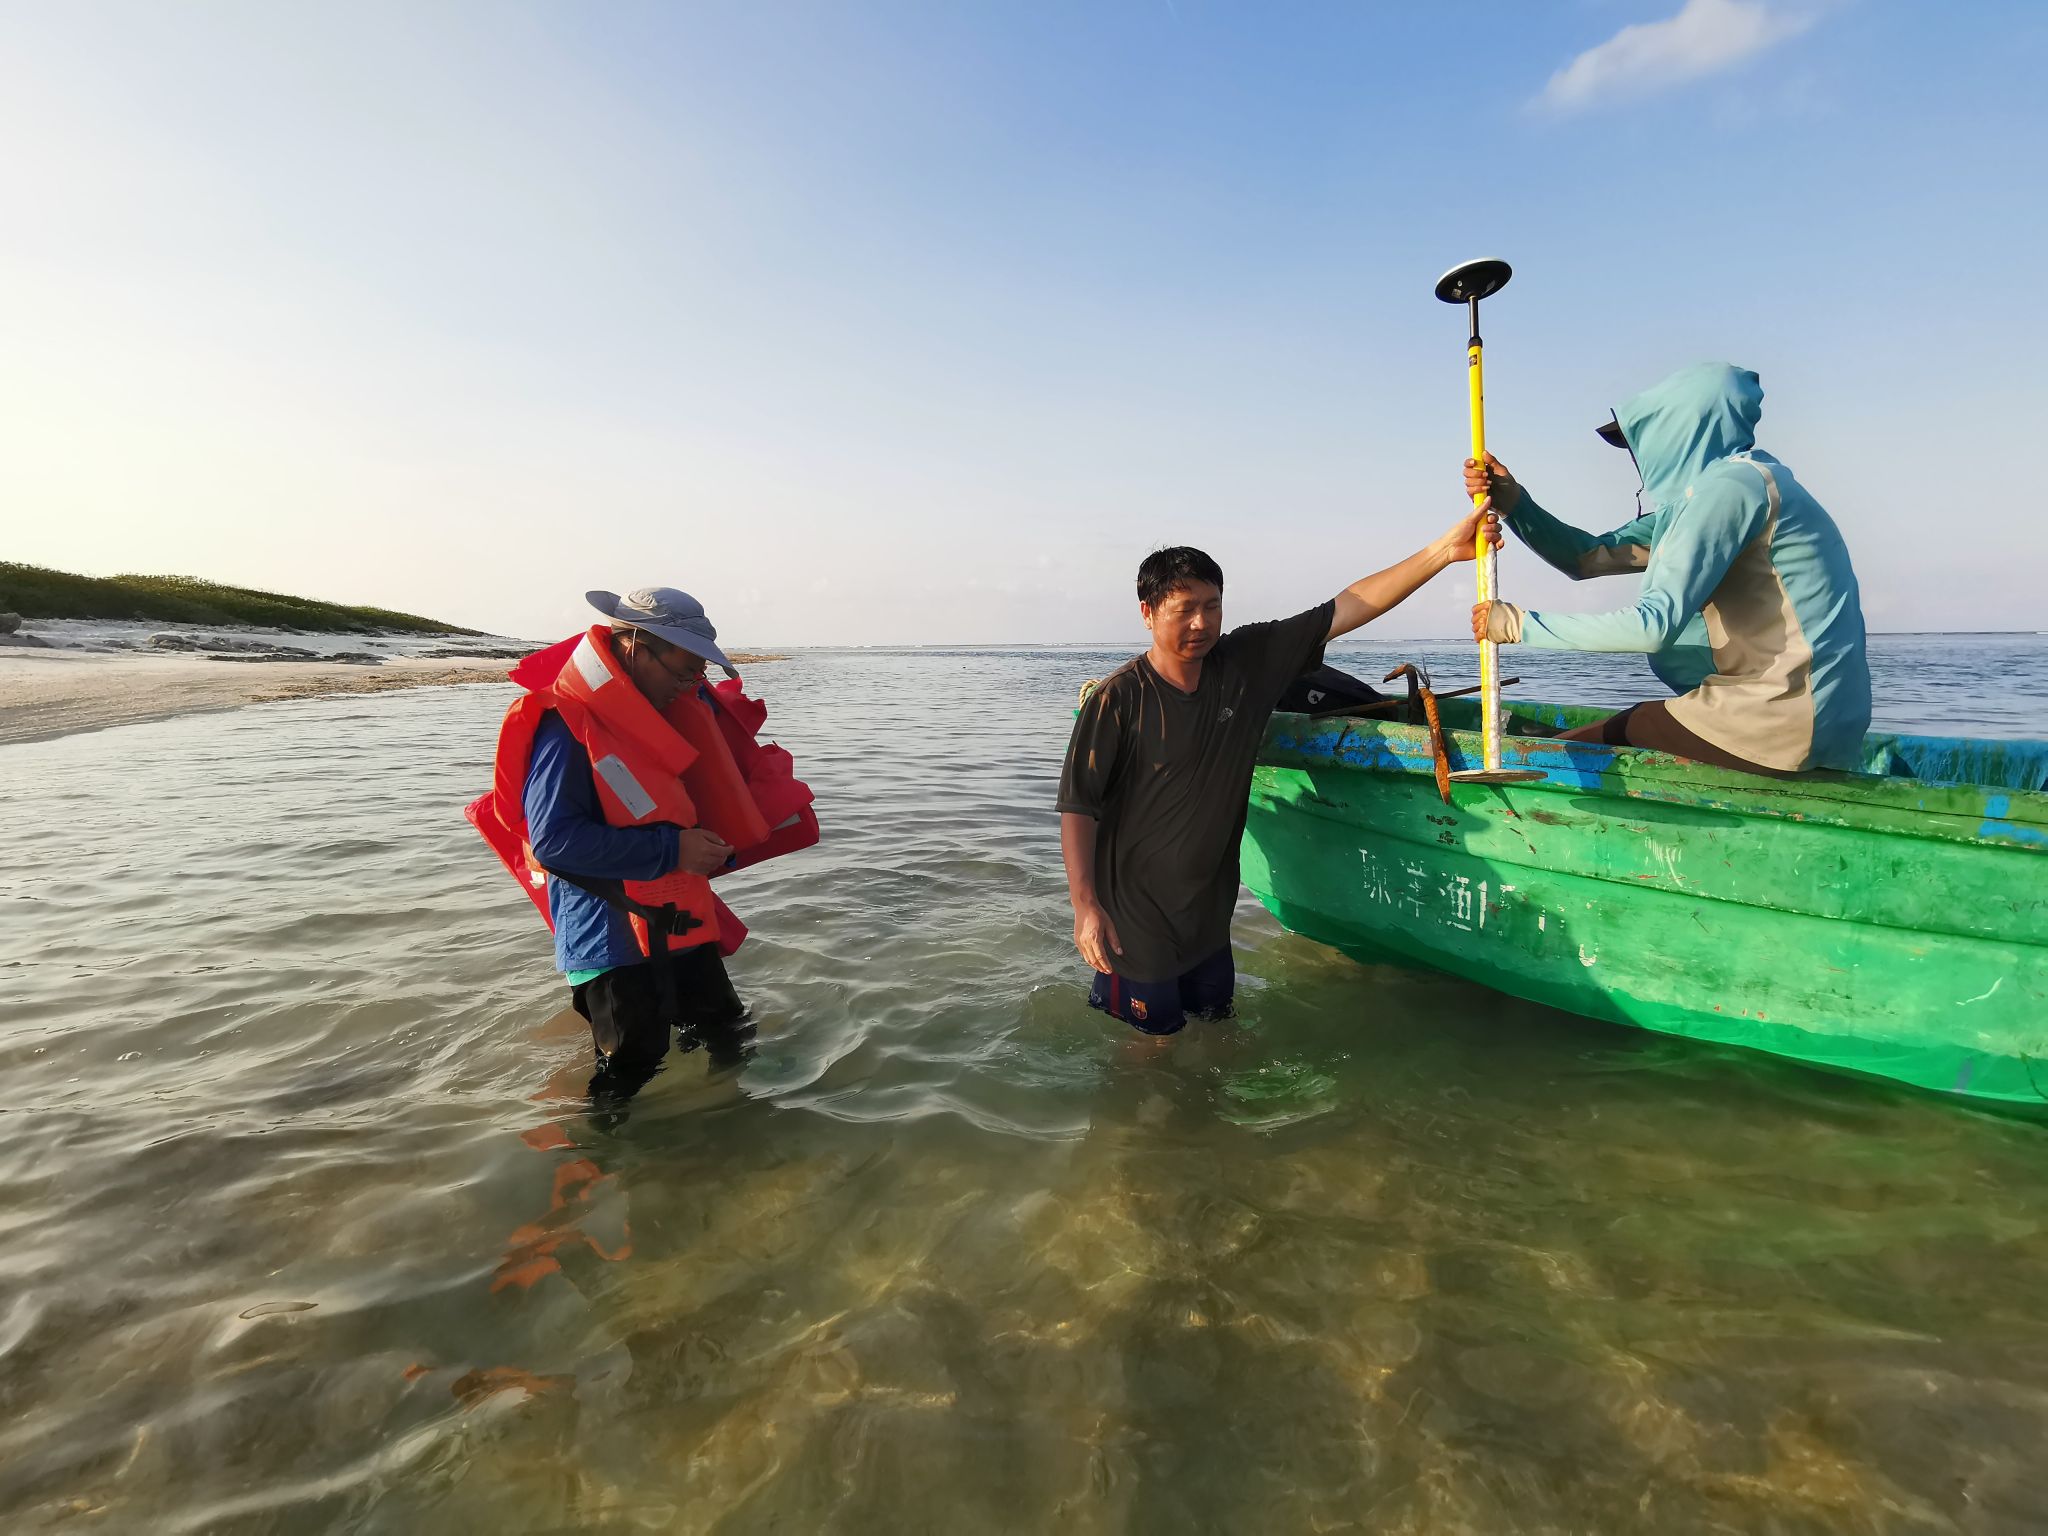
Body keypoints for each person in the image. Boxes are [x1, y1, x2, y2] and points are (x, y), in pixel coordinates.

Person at [1056, 505, 1499, 1036]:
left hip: (1208, 918)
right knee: (1150, 1055)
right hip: (1135, 922)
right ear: (1147, 613)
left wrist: (1443, 553)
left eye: (1212, 606)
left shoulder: (1245, 664)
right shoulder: (1119, 699)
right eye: (1184, 609)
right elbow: (1078, 806)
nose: (1201, 623)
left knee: (1219, 1035)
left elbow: (1347, 607)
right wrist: (1086, 906)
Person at [467, 587, 818, 1102]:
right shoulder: (565, 726)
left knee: (730, 1035)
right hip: (609, 942)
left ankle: (733, 1134)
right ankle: (597, 1147)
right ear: (635, 646)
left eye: (699, 675)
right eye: (684, 671)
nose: (690, 686)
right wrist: (673, 850)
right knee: (628, 1076)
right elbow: (554, 841)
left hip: (676, 923)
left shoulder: (655, 718)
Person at [1466, 361, 1871, 776]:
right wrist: (1515, 504)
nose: (1637, 457)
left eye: (1639, 440)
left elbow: (1652, 628)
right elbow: (1587, 557)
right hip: (1827, 728)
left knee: (1626, 727)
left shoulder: (1729, 490)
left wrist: (1517, 625)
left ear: (1678, 433)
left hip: (1779, 721)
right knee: (1635, 721)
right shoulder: (1731, 492)